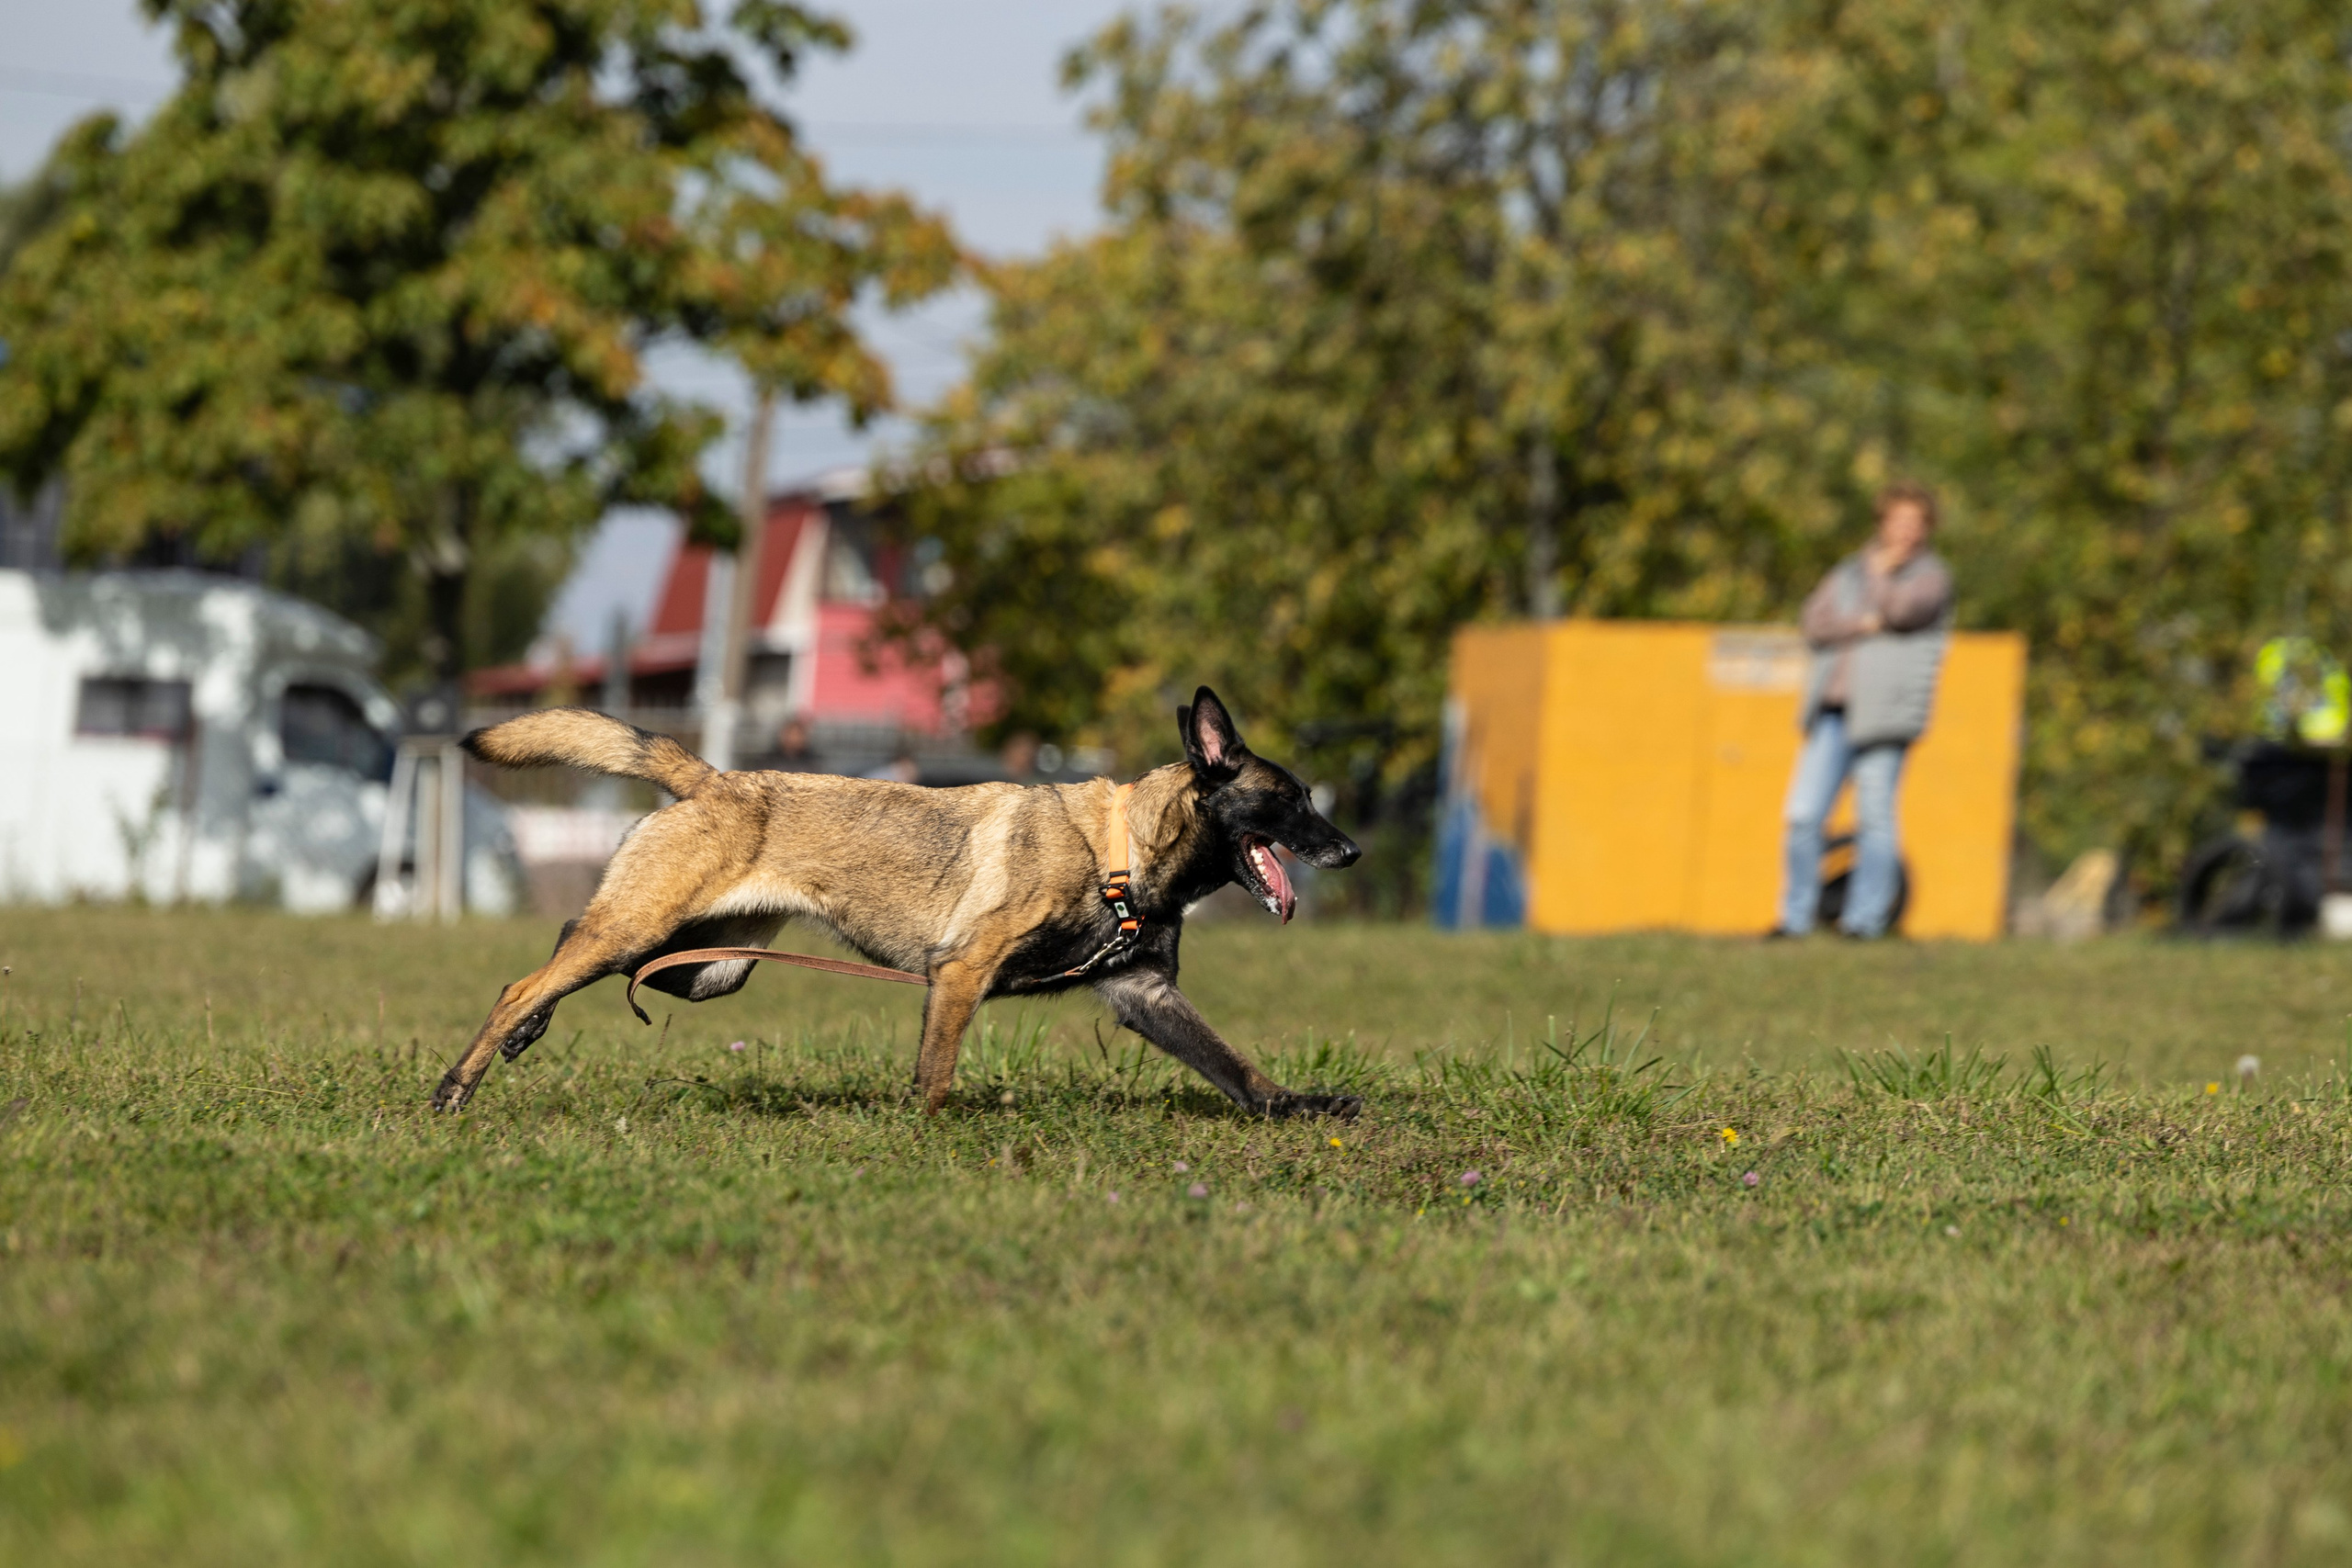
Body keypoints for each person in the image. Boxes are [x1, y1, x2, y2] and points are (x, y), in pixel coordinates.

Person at [1772, 481, 1955, 940]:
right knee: (1803, 816)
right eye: (1897, 521)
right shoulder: (1848, 572)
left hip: (1885, 718)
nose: (1905, 532)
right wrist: (1863, 621)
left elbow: (1901, 611)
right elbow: (1814, 622)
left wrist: (1881, 576)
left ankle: (1864, 922)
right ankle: (1794, 920)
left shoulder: (1930, 576)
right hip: (1833, 712)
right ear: (1882, 522)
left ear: (1927, 528)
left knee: (1875, 820)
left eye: (1915, 523)